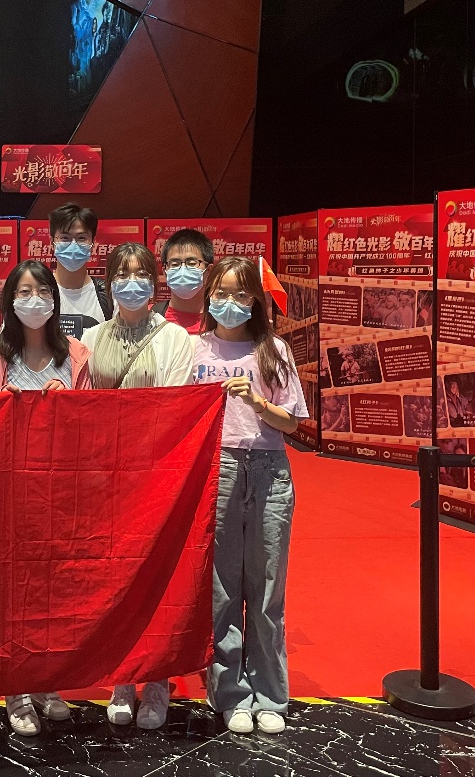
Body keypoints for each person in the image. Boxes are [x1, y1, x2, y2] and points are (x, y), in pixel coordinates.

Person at [191, 256, 310, 736]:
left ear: (257, 301)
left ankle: (271, 694)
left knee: (266, 588)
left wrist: (257, 402)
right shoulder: (194, 348)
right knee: (223, 588)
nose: (231, 303)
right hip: (216, 470)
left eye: (241, 295)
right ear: (208, 297)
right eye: (221, 293)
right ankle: (231, 693)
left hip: (267, 470)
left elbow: (292, 423)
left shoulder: (273, 350)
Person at [0, 260, 91, 735]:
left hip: (61, 488)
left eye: (43, 291)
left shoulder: (77, 354)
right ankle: (16, 685)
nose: (34, 300)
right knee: (13, 588)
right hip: (10, 489)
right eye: (23, 292)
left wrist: (69, 403)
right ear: (9, 301)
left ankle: (47, 679)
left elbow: (90, 422)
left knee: (54, 588)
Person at [83, 244, 194, 729]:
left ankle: (158, 679)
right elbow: (87, 407)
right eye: (122, 275)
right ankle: (123, 678)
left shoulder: (176, 339)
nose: (132, 283)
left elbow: (176, 408)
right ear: (108, 283)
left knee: (158, 577)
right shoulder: (90, 337)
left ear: (154, 282)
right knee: (117, 578)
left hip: (158, 473)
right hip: (108, 477)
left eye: (141, 274)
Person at [48, 202, 112, 337]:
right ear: (52, 243)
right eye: (65, 238)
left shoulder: (109, 296)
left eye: (81, 238)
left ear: (92, 243)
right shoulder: (38, 293)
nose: (73, 244)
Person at [153, 228, 214, 334]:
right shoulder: (150, 317)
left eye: (192, 263)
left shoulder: (223, 321)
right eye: (175, 264)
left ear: (208, 271)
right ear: (165, 273)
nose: (182, 270)